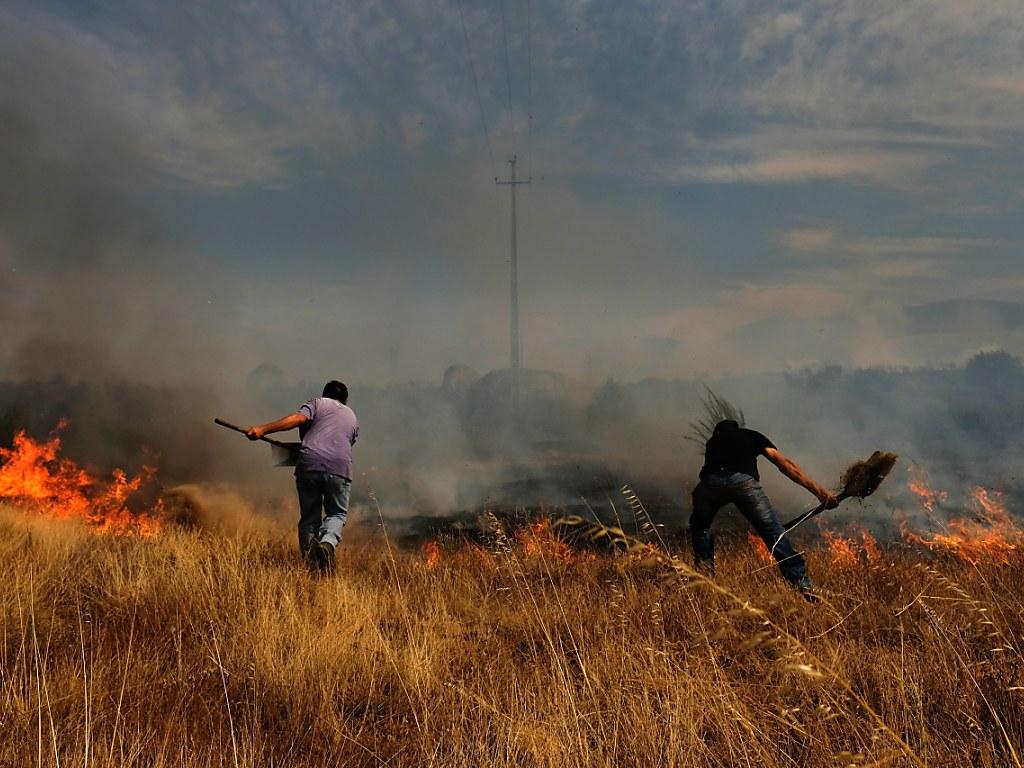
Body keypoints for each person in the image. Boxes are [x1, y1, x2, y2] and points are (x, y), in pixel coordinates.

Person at [690, 419, 837, 594]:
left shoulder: (713, 442)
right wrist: (820, 493)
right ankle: (801, 582)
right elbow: (785, 465)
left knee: (700, 527)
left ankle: (705, 581)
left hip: (710, 484)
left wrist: (699, 504)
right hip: (744, 483)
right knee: (772, 531)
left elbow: (704, 478)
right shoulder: (751, 435)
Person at [246, 380, 359, 571]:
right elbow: (346, 442)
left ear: (325, 394)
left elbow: (298, 420)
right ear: (345, 400)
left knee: (309, 519)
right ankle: (328, 543)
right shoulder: (352, 416)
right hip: (339, 468)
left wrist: (262, 429)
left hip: (309, 464)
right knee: (337, 514)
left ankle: (311, 565)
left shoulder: (317, 403)